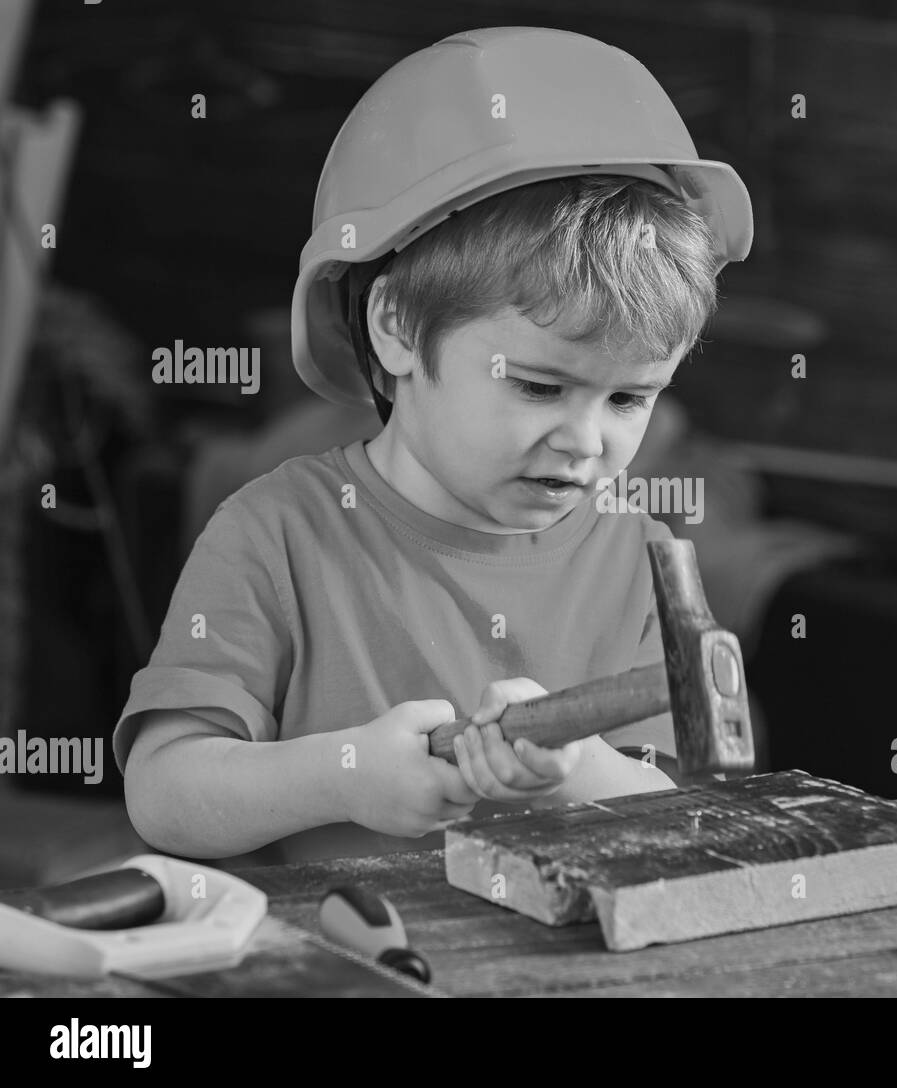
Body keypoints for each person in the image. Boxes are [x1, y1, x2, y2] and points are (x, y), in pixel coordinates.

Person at [114, 27, 753, 863]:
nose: (586, 439)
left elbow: (687, 823)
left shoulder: (643, 561)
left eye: (630, 398)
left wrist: (575, 769)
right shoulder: (277, 534)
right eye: (538, 386)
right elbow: (164, 793)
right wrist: (343, 775)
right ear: (398, 331)